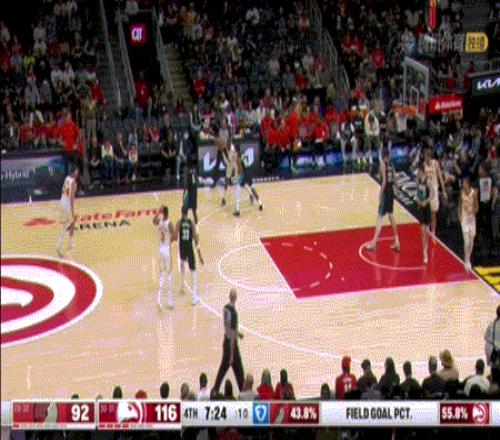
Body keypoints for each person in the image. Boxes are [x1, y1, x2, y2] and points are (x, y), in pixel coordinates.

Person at [366, 148, 400, 251]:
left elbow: (384, 180)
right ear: (388, 156)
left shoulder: (382, 165)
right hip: (391, 192)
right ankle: (397, 240)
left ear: (382, 155)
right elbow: (395, 179)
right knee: (391, 215)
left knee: (379, 217)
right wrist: (397, 190)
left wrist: (380, 194)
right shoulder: (391, 165)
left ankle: (374, 243)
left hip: (386, 192)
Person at [213, 288, 245, 393]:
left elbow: (228, 327)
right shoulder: (234, 313)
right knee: (239, 372)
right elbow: (231, 334)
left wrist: (238, 333)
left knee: (222, 370)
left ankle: (215, 390)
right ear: (235, 298)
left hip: (225, 341)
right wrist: (232, 354)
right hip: (232, 346)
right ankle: (244, 393)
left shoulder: (225, 309)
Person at [175, 207, 203, 305]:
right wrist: (200, 255)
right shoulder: (191, 223)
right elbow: (196, 240)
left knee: (182, 265)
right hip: (189, 249)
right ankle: (194, 298)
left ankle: (182, 287)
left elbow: (175, 236)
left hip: (182, 248)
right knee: (193, 272)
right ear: (187, 213)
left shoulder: (179, 222)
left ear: (181, 212)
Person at [153, 206, 176, 309]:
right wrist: (170, 240)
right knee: (170, 274)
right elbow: (175, 236)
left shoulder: (160, 222)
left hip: (160, 250)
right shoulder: (169, 224)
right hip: (166, 249)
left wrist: (158, 212)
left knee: (162, 275)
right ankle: (170, 302)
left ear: (163, 213)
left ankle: (159, 299)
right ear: (168, 213)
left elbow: (153, 220)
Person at [233, 144, 263, 216]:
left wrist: (236, 177)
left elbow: (240, 170)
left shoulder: (237, 158)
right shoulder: (243, 154)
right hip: (249, 172)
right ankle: (260, 203)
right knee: (252, 188)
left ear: (235, 149)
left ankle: (237, 210)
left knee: (237, 190)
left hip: (244, 174)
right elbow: (246, 164)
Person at [424, 147, 447, 237]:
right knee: (427, 211)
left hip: (434, 189)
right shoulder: (423, 164)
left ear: (429, 157)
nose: (425, 158)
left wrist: (443, 190)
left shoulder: (435, 163)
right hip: (427, 190)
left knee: (433, 212)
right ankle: (427, 228)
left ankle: (433, 232)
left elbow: (440, 177)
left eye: (426, 156)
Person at [58, 164, 78, 258]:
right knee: (67, 225)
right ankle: (59, 246)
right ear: (73, 172)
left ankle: (70, 242)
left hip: (62, 201)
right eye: (76, 171)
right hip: (67, 204)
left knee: (72, 223)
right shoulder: (73, 183)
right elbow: (71, 198)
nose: (77, 173)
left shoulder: (67, 178)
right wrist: (73, 211)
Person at [459, 176, 479, 271]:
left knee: (471, 241)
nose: (463, 184)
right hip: (464, 219)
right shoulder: (461, 192)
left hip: (471, 219)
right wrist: (459, 214)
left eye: (464, 183)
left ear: (468, 184)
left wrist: (472, 212)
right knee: (466, 241)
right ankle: (466, 259)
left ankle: (468, 257)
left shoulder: (473, 193)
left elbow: (477, 207)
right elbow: (459, 205)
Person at [416, 163, 432, 264]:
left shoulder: (428, 181)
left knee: (426, 231)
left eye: (418, 171)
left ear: (421, 171)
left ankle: (426, 247)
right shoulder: (418, 181)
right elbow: (417, 192)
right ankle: (424, 253)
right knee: (422, 231)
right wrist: (418, 199)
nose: (417, 173)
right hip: (421, 207)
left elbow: (432, 194)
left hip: (427, 207)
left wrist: (426, 201)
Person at [221, 138, 237, 207]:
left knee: (241, 183)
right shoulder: (224, 150)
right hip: (229, 166)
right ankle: (223, 199)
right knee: (226, 182)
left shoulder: (233, 150)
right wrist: (228, 165)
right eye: (227, 144)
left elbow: (235, 160)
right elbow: (224, 160)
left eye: (230, 144)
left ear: (231, 143)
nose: (229, 145)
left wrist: (233, 169)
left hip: (235, 166)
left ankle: (250, 194)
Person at [182, 161, 199, 225]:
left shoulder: (186, 170)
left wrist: (184, 193)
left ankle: (184, 226)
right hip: (194, 191)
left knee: (184, 210)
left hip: (189, 191)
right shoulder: (194, 170)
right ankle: (196, 227)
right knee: (194, 211)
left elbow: (185, 183)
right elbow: (197, 181)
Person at [484, 305, 500, 371]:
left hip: (492, 352)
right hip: (495, 352)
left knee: (494, 371)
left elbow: (485, 337)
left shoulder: (491, 324)